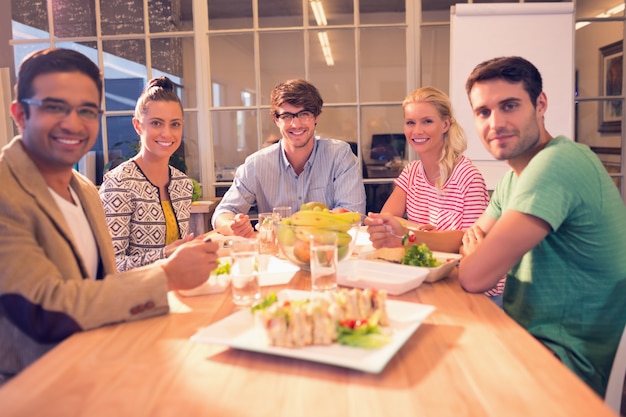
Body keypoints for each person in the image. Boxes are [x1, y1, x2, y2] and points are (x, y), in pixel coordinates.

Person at [368, 56, 626, 397]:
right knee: (399, 350)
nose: (496, 122)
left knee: (409, 378)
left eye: (509, 106)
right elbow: (465, 238)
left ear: (540, 104)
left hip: (562, 363)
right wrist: (412, 235)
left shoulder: (557, 163)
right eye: (483, 112)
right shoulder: (512, 180)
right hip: (519, 334)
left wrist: (473, 252)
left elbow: (475, 276)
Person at [0, 48, 219, 384]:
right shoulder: (5, 191)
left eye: (87, 110)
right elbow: (43, 309)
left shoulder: (85, 190)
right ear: (19, 114)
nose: (73, 123)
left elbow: (107, 282)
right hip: (32, 387)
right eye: (54, 107)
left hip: (101, 362)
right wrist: (167, 274)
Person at [371, 86, 504, 303]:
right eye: (410, 122)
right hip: (431, 277)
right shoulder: (411, 171)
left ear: (445, 124)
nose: (417, 131)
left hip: (474, 289)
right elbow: (388, 218)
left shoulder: (468, 176)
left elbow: (468, 241)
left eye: (427, 121)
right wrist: (414, 227)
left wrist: (406, 232)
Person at [212, 79, 366, 237]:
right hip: (275, 253)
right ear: (276, 120)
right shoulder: (256, 164)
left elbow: (354, 215)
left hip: (327, 251)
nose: (296, 124)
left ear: (316, 117)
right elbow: (223, 213)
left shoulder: (339, 155)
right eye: (286, 116)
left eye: (304, 114)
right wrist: (232, 225)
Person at [99, 76, 194, 271]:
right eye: (156, 123)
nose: (167, 133)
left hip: (176, 290)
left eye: (175, 124)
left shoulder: (183, 184)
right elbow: (111, 265)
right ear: (138, 126)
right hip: (134, 297)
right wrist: (165, 254)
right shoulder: (119, 183)